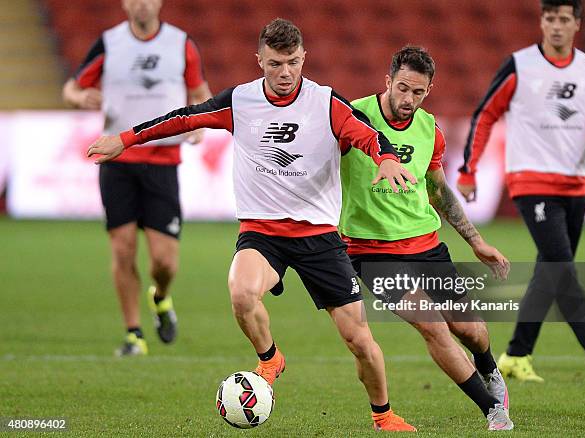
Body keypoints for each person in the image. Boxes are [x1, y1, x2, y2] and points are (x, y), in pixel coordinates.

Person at [87, 18, 419, 431]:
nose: (285, 73)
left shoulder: (326, 102)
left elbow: (368, 134)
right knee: (241, 293)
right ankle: (270, 358)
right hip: (262, 234)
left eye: (293, 63)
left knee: (360, 341)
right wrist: (126, 139)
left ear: (304, 59)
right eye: (276, 63)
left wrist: (386, 158)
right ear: (259, 60)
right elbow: (185, 117)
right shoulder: (240, 101)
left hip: (319, 237)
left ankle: (383, 415)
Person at [339, 46, 513, 431]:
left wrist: (475, 240)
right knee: (432, 324)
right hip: (370, 252)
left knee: (470, 329)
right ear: (387, 81)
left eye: (418, 92)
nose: (408, 100)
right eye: (402, 89)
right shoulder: (351, 116)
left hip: (426, 244)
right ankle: (492, 409)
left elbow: (437, 191)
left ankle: (490, 370)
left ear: (429, 91)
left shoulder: (428, 131)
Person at [456, 0, 585, 385]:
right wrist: (469, 169)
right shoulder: (521, 65)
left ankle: (516, 354)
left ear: (577, 24)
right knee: (562, 270)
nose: (556, 26)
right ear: (542, 22)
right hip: (531, 182)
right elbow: (486, 112)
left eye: (564, 20)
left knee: (550, 270)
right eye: (549, 19)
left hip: (575, 185)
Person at [62, 0, 212, 356]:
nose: (141, 5)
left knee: (164, 262)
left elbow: (200, 91)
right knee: (123, 248)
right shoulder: (109, 42)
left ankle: (159, 297)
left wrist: (200, 124)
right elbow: (70, 88)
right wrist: (80, 96)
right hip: (118, 160)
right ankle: (134, 335)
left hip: (163, 162)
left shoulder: (180, 43)